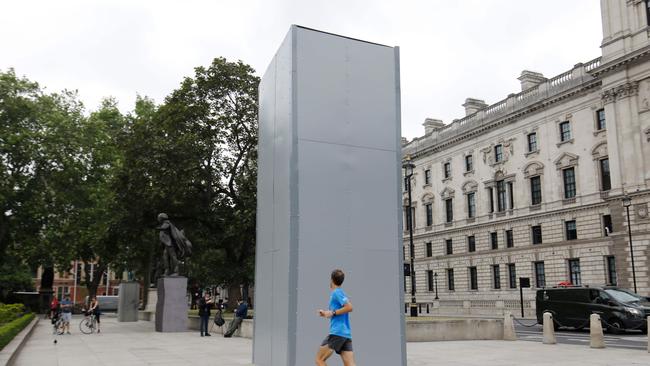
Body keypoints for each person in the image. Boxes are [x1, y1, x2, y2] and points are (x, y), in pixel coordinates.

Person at [315, 269, 355, 366]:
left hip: (337, 333)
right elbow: (338, 312)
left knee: (319, 359)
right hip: (346, 334)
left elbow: (349, 307)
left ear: (332, 280)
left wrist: (333, 312)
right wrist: (325, 313)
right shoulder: (341, 293)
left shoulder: (336, 293)